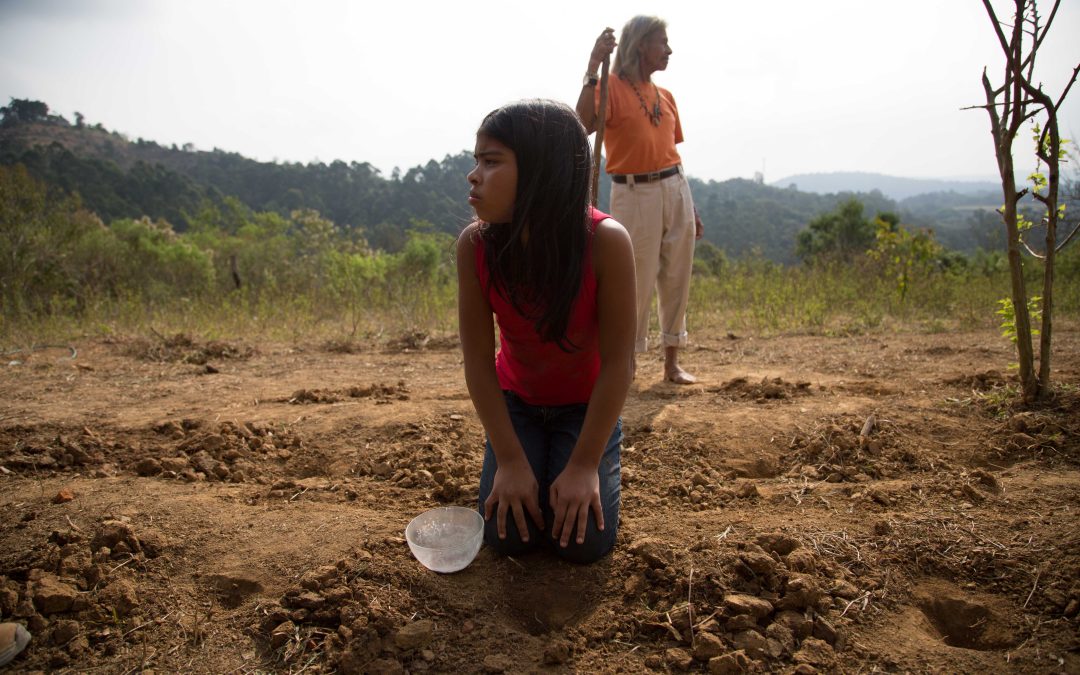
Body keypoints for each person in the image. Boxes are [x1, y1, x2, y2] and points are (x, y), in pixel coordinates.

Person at [457, 99, 636, 564]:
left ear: (541, 171)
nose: (473, 175)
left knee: (583, 542)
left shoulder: (606, 242)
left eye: (491, 161)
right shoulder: (475, 246)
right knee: (507, 536)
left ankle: (585, 461)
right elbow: (478, 362)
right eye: (477, 161)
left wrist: (584, 466)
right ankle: (529, 461)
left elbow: (619, 364)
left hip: (585, 407)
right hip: (516, 404)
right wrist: (510, 461)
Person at [576, 16, 703, 385]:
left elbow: (670, 152)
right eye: (662, 42)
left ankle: (671, 363)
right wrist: (592, 67)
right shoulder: (611, 87)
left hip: (675, 187)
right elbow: (581, 124)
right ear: (640, 45)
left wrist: (690, 206)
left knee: (677, 274)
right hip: (634, 192)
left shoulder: (666, 96)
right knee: (635, 279)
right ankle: (625, 364)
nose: (669, 50)